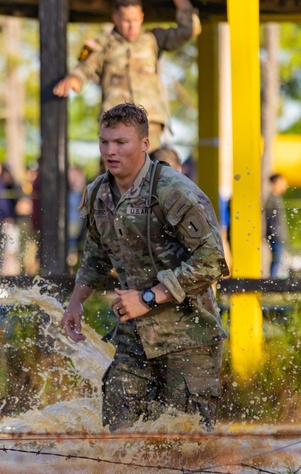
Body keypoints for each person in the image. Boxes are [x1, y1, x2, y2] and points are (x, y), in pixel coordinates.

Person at [60, 103, 228, 431]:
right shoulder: (98, 194)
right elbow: (95, 256)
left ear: (144, 144)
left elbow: (213, 261)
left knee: (185, 442)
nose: (110, 151)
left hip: (187, 335)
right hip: (134, 335)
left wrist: (149, 298)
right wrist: (76, 302)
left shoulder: (172, 190)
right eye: (104, 141)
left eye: (121, 142)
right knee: (118, 436)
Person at [52, 0, 200, 149]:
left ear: (142, 17)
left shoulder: (153, 39)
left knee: (151, 168)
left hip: (149, 122)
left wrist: (183, 5)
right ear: (115, 18)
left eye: (135, 20)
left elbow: (189, 31)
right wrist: (75, 78)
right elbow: (85, 68)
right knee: (116, 168)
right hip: (116, 123)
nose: (131, 26)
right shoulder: (104, 44)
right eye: (126, 21)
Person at [264, 173, 288, 278]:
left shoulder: (276, 199)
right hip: (276, 237)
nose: (285, 185)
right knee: (277, 262)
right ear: (277, 182)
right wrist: (277, 235)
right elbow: (272, 222)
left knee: (278, 262)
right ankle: (273, 286)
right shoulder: (272, 199)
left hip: (278, 236)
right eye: (283, 182)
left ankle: (273, 285)